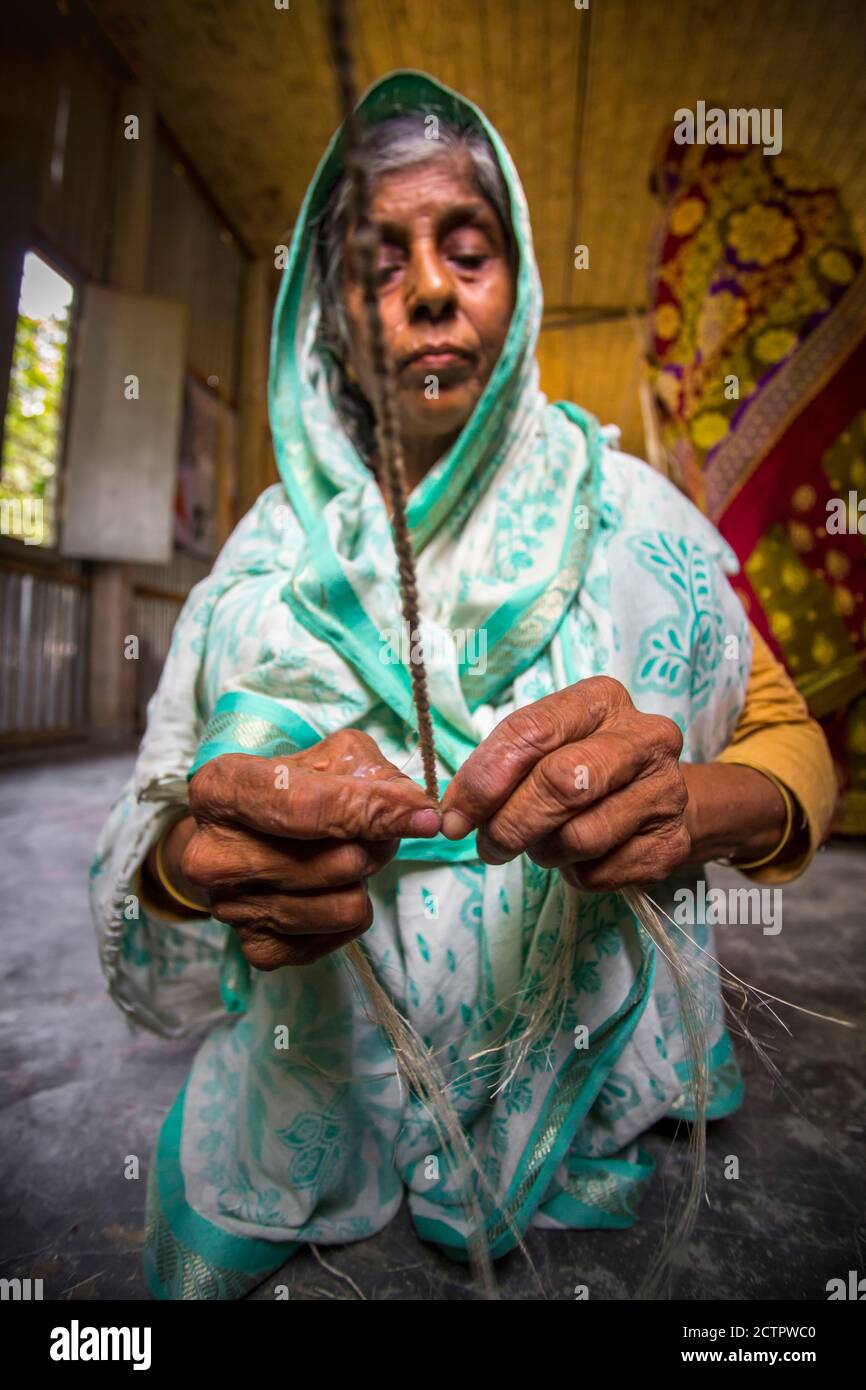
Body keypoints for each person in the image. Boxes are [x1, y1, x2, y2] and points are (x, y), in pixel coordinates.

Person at [91, 72, 835, 1300]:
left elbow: (783, 735)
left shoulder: (633, 519)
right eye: (378, 266)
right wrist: (187, 869)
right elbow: (147, 827)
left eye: (468, 250)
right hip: (327, 1079)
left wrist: (690, 809)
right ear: (325, 319)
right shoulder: (267, 563)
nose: (429, 288)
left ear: (521, 281)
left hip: (614, 1110)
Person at [646, 133, 866, 833]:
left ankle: (819, 779)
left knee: (771, 591)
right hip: (843, 429)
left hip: (751, 458)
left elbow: (673, 344)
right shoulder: (805, 180)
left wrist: (696, 435)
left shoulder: (697, 215)